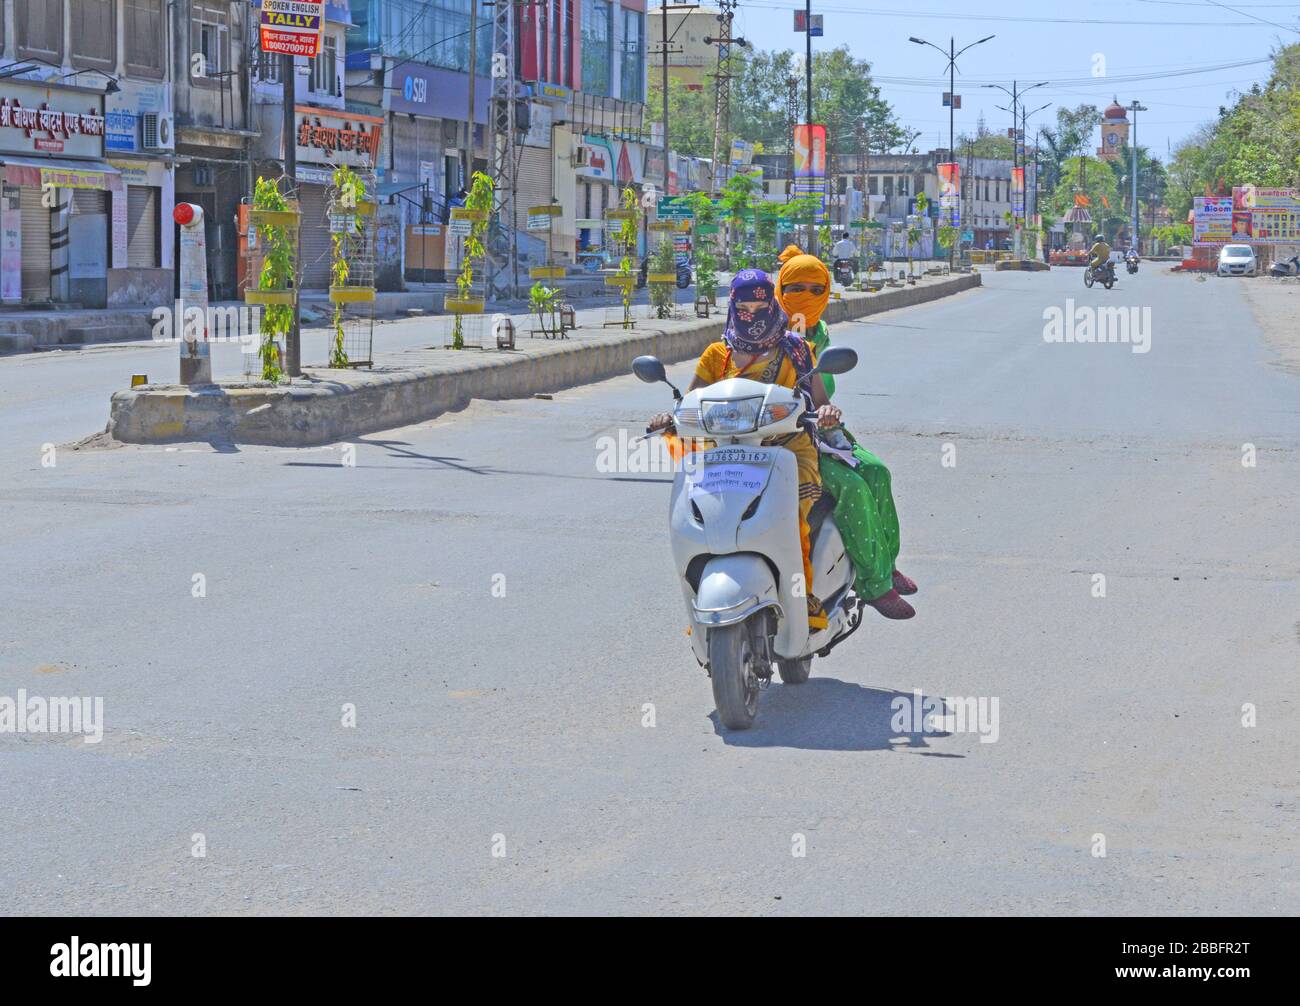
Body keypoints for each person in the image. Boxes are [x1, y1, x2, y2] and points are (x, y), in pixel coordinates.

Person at [649, 269, 841, 631]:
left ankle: (804, 593)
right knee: (700, 514)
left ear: (773, 304)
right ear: (734, 307)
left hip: (785, 447)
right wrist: (669, 417)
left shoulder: (798, 350)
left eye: (761, 305)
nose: (753, 315)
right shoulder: (716, 355)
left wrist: (827, 412)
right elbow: (689, 403)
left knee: (793, 514)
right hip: (724, 449)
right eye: (745, 306)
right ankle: (704, 594)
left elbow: (819, 400)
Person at [775, 247, 916, 619]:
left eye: (814, 288)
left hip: (812, 432)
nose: (803, 296)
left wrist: (826, 413)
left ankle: (884, 561)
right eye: (794, 288)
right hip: (772, 439)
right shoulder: (740, 342)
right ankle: (874, 584)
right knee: (850, 488)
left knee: (876, 471)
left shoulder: (814, 334)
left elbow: (818, 392)